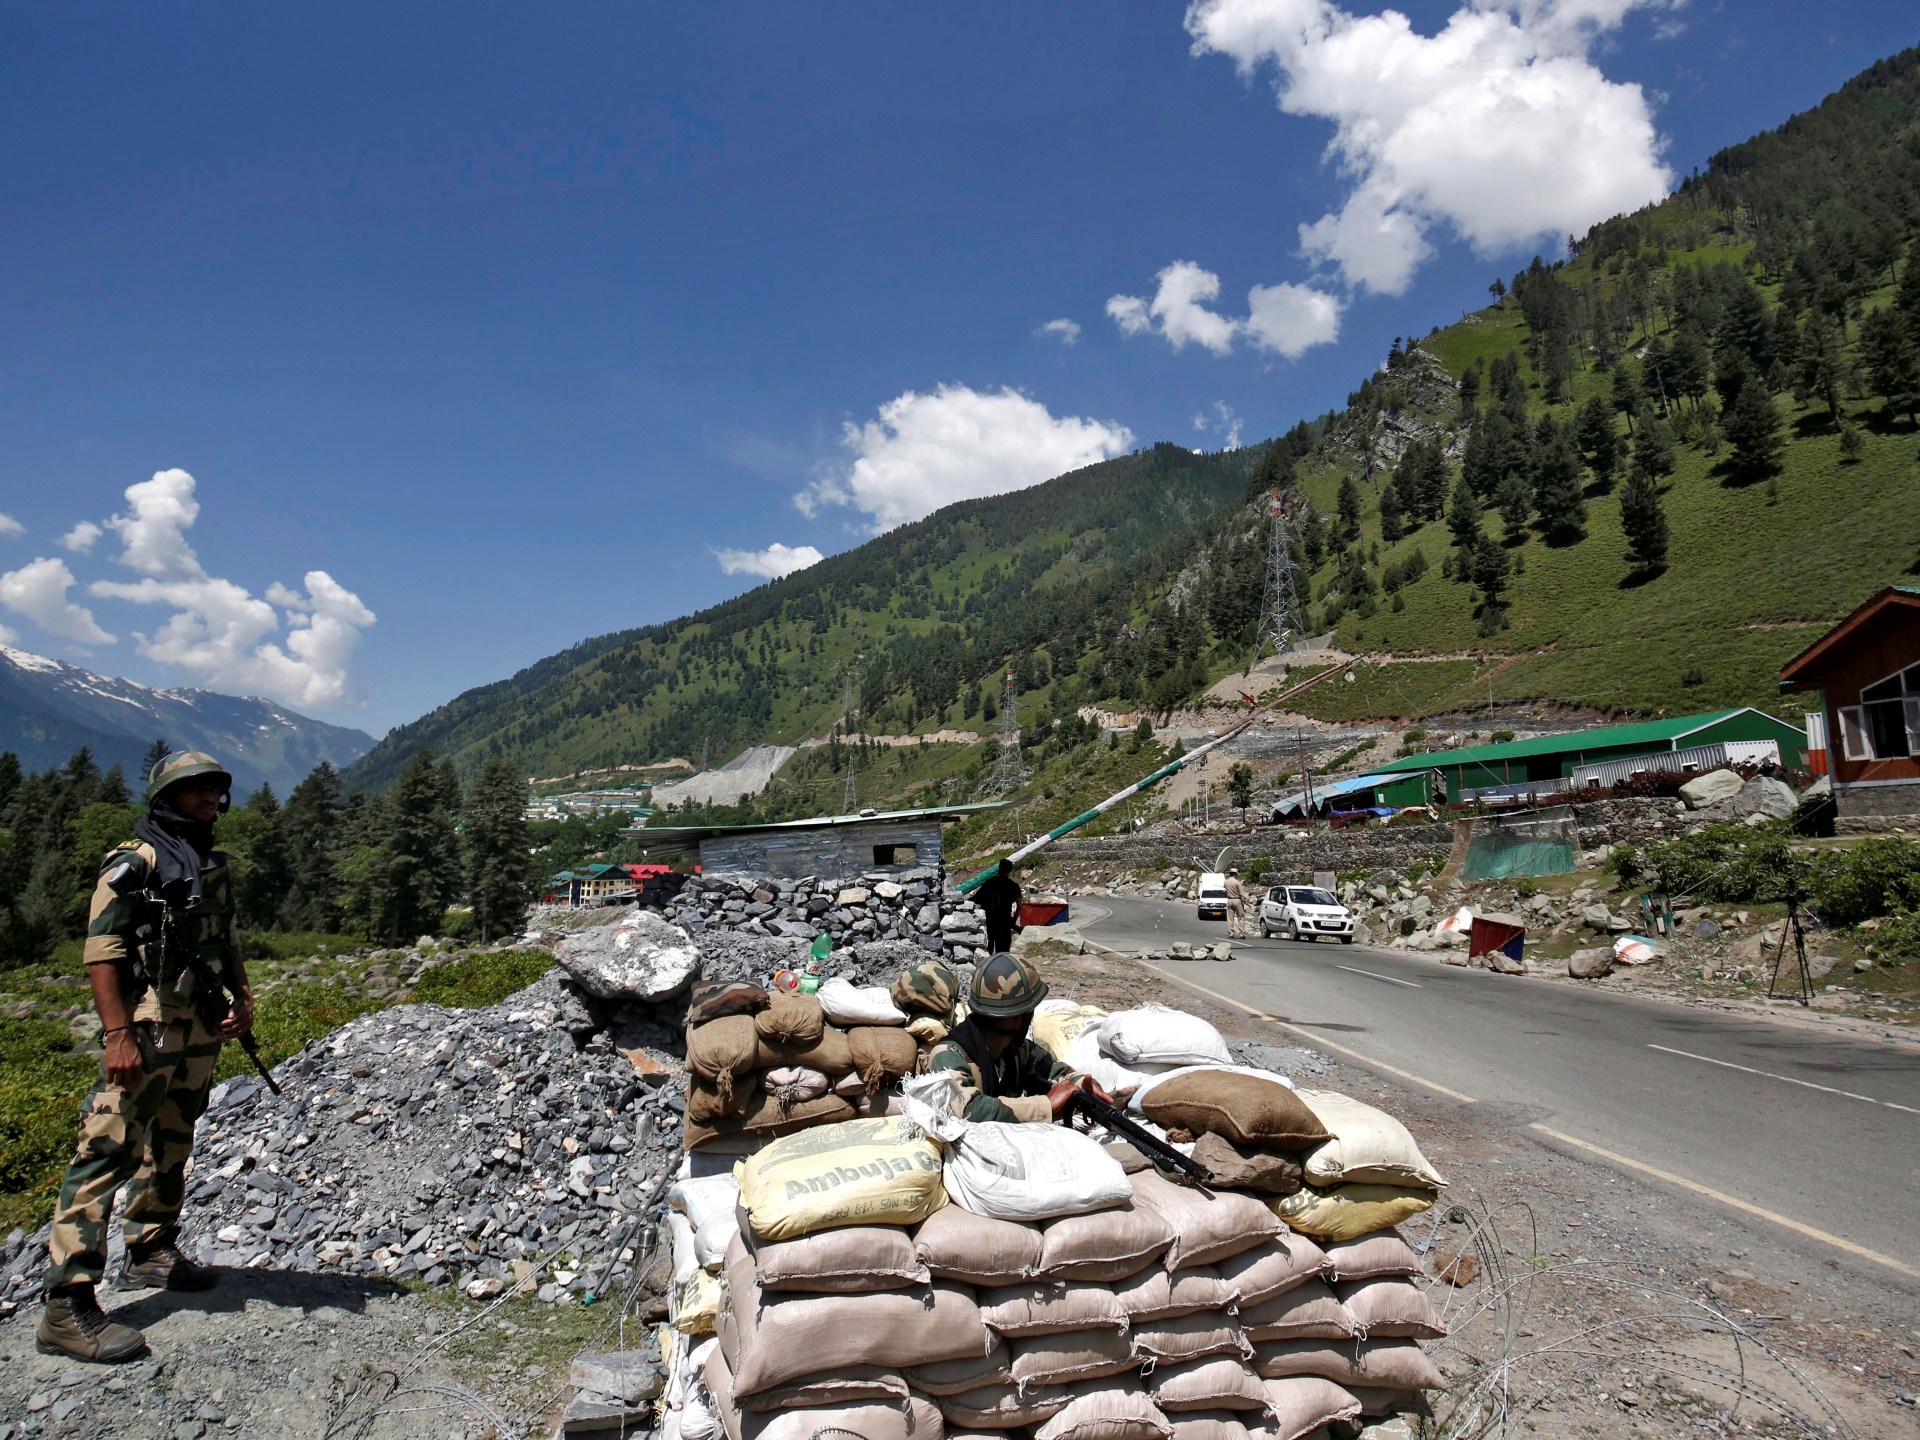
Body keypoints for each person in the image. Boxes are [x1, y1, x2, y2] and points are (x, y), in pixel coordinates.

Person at [37, 751, 255, 1363]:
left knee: (174, 1141)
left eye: (215, 788)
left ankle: (150, 1250)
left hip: (197, 1028)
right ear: (166, 796)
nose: (209, 798)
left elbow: (225, 939)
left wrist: (242, 999)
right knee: (108, 1146)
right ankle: (66, 1303)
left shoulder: (210, 862)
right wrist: (117, 1035)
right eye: (195, 790)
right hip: (147, 1028)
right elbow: (103, 950)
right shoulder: (134, 863)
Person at [925, 953, 1107, 1123]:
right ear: (1018, 1018)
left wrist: (1082, 1085)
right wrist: (1044, 1105)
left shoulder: (1016, 1050)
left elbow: (1054, 1070)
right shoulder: (948, 1056)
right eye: (1029, 1012)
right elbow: (968, 1110)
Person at [976, 859, 1022, 955]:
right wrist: (1013, 920)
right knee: (1003, 955)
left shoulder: (990, 883)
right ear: (1010, 870)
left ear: (999, 869)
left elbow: (977, 899)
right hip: (1005, 924)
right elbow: (1019, 907)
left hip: (990, 923)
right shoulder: (1014, 886)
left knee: (987, 953)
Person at [1223, 870, 1247, 939]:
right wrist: (1245, 900)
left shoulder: (1226, 882)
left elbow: (1225, 889)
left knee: (1230, 918)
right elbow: (1241, 894)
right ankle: (1242, 933)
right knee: (1241, 917)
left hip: (1229, 900)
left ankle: (1231, 933)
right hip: (1237, 900)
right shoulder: (1237, 882)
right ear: (1235, 874)